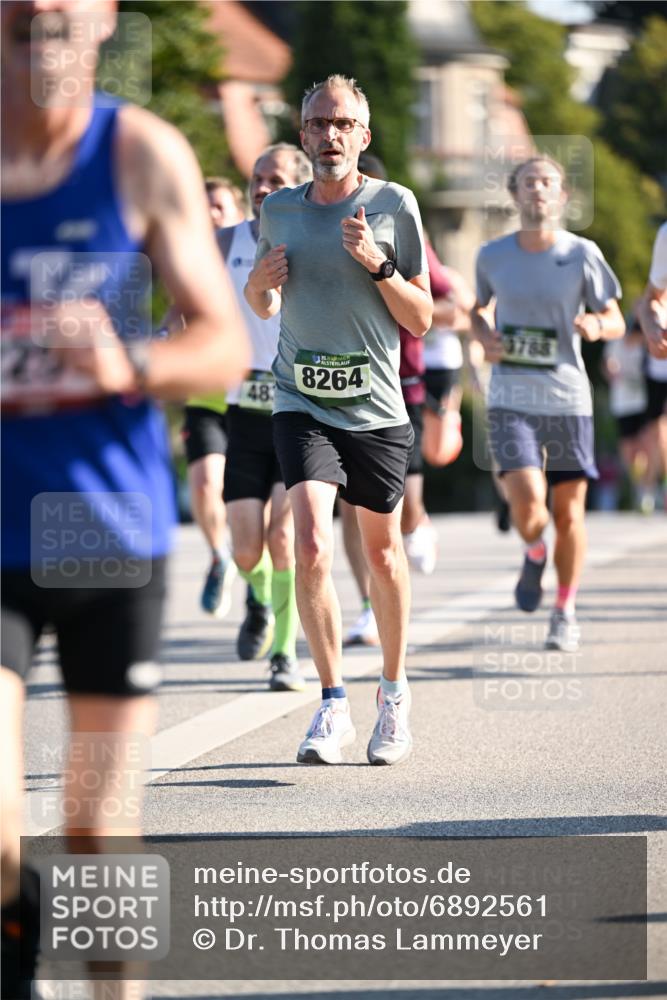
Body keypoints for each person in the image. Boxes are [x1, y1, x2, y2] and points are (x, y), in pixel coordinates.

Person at [0, 2, 249, 997]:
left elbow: (222, 343)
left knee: (96, 829)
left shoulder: (138, 151)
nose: (43, 17)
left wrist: (121, 358)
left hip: (101, 525)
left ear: (103, 17)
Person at [245, 75, 432, 765]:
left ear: (364, 136)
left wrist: (377, 265)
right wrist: (259, 285)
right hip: (301, 399)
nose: (329, 135)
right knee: (311, 546)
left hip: (376, 407)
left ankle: (393, 691)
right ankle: (330, 703)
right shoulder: (280, 212)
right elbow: (263, 306)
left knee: (381, 554)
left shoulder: (393, 205)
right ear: (303, 134)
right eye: (318, 123)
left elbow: (422, 318)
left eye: (342, 124)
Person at [471, 155, 624, 652]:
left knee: (569, 514)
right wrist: (484, 334)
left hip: (567, 398)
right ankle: (534, 549)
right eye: (529, 182)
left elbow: (615, 317)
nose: (538, 190)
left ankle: (564, 608)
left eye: (547, 183)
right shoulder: (492, 255)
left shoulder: (582, 254)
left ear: (562, 197)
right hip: (511, 396)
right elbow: (477, 310)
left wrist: (597, 326)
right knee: (529, 502)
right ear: (515, 195)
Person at [221, 144, 312, 690]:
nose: (260, 187)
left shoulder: (307, 235)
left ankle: (284, 653)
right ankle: (257, 599)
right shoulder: (225, 240)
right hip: (244, 412)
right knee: (245, 548)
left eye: (273, 178)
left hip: (297, 406)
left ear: (294, 185)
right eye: (256, 178)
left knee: (284, 535)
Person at [180, 177, 247, 617]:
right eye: (203, 209)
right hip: (207, 396)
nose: (211, 216)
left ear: (238, 211)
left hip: (256, 398)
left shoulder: (257, 246)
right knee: (206, 483)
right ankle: (219, 556)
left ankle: (257, 587)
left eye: (219, 207)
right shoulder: (187, 258)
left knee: (257, 521)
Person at [602, 318, 655, 512]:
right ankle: (639, 484)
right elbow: (607, 365)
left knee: (645, 447)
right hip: (622, 404)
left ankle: (647, 491)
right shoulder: (616, 344)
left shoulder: (644, 348)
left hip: (642, 404)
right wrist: (611, 371)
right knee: (628, 450)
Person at [638, 222, 667, 509]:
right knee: (658, 432)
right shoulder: (666, 235)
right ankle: (653, 485)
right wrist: (653, 325)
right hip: (659, 368)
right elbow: (649, 302)